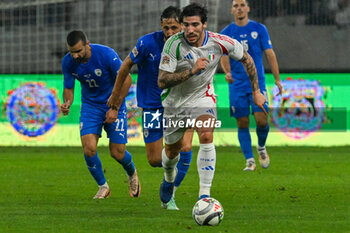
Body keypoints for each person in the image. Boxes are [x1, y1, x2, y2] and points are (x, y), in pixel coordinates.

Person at [157, 3, 266, 205]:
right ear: (181, 25)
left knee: (206, 134)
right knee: (172, 152)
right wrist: (191, 71)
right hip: (175, 103)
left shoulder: (220, 42)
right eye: (186, 25)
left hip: (202, 97)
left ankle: (204, 196)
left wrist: (257, 91)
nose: (190, 30)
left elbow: (247, 58)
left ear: (204, 25)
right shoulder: (173, 44)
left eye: (195, 24)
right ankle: (168, 178)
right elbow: (162, 81)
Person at [106, 6, 193, 210]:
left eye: (174, 27)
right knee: (155, 160)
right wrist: (115, 95)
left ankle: (170, 191)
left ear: (181, 26)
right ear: (161, 26)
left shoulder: (188, 44)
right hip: (153, 106)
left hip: (179, 105)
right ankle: (169, 174)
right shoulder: (146, 43)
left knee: (185, 147)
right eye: (166, 28)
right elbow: (125, 66)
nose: (170, 32)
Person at [61, 30, 141, 199]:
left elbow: (127, 80)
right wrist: (67, 102)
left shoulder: (106, 54)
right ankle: (103, 186)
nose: (75, 56)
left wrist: (115, 107)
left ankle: (132, 173)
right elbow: (68, 88)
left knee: (117, 152)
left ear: (87, 45)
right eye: (71, 52)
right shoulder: (68, 62)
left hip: (114, 102)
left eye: (78, 51)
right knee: (89, 148)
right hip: (90, 106)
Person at [220, 0, 283, 171]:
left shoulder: (259, 29)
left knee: (262, 120)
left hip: (257, 83)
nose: (239, 8)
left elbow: (270, 54)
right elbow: (223, 55)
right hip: (237, 84)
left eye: (242, 5)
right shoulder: (227, 32)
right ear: (232, 10)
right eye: (236, 6)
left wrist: (277, 79)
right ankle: (249, 160)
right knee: (242, 122)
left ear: (248, 8)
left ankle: (261, 147)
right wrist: (227, 71)